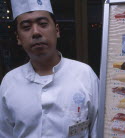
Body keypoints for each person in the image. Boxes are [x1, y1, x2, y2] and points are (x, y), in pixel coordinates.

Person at [0, 0, 99, 137]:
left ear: (57, 30)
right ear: (18, 38)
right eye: (26, 27)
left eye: (43, 24)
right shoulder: (9, 82)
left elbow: (98, 130)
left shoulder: (84, 74)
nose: (36, 32)